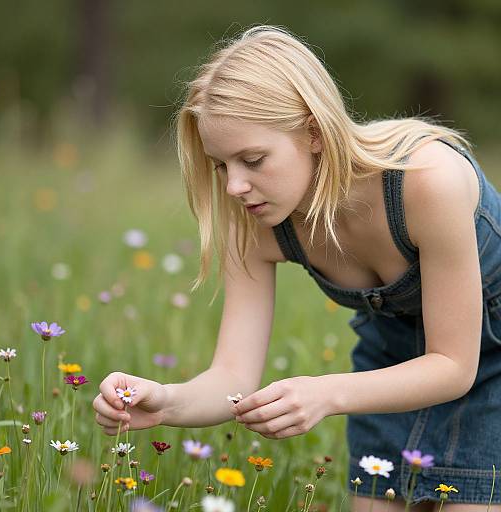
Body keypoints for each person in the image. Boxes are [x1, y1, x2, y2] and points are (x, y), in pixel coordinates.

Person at [93, 25, 501, 512]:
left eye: (252, 159)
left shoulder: (428, 182)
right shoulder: (256, 222)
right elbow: (232, 374)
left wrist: (324, 393)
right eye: (222, 166)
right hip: (386, 367)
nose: (234, 187)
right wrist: (166, 401)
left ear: (312, 131)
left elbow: (455, 365)